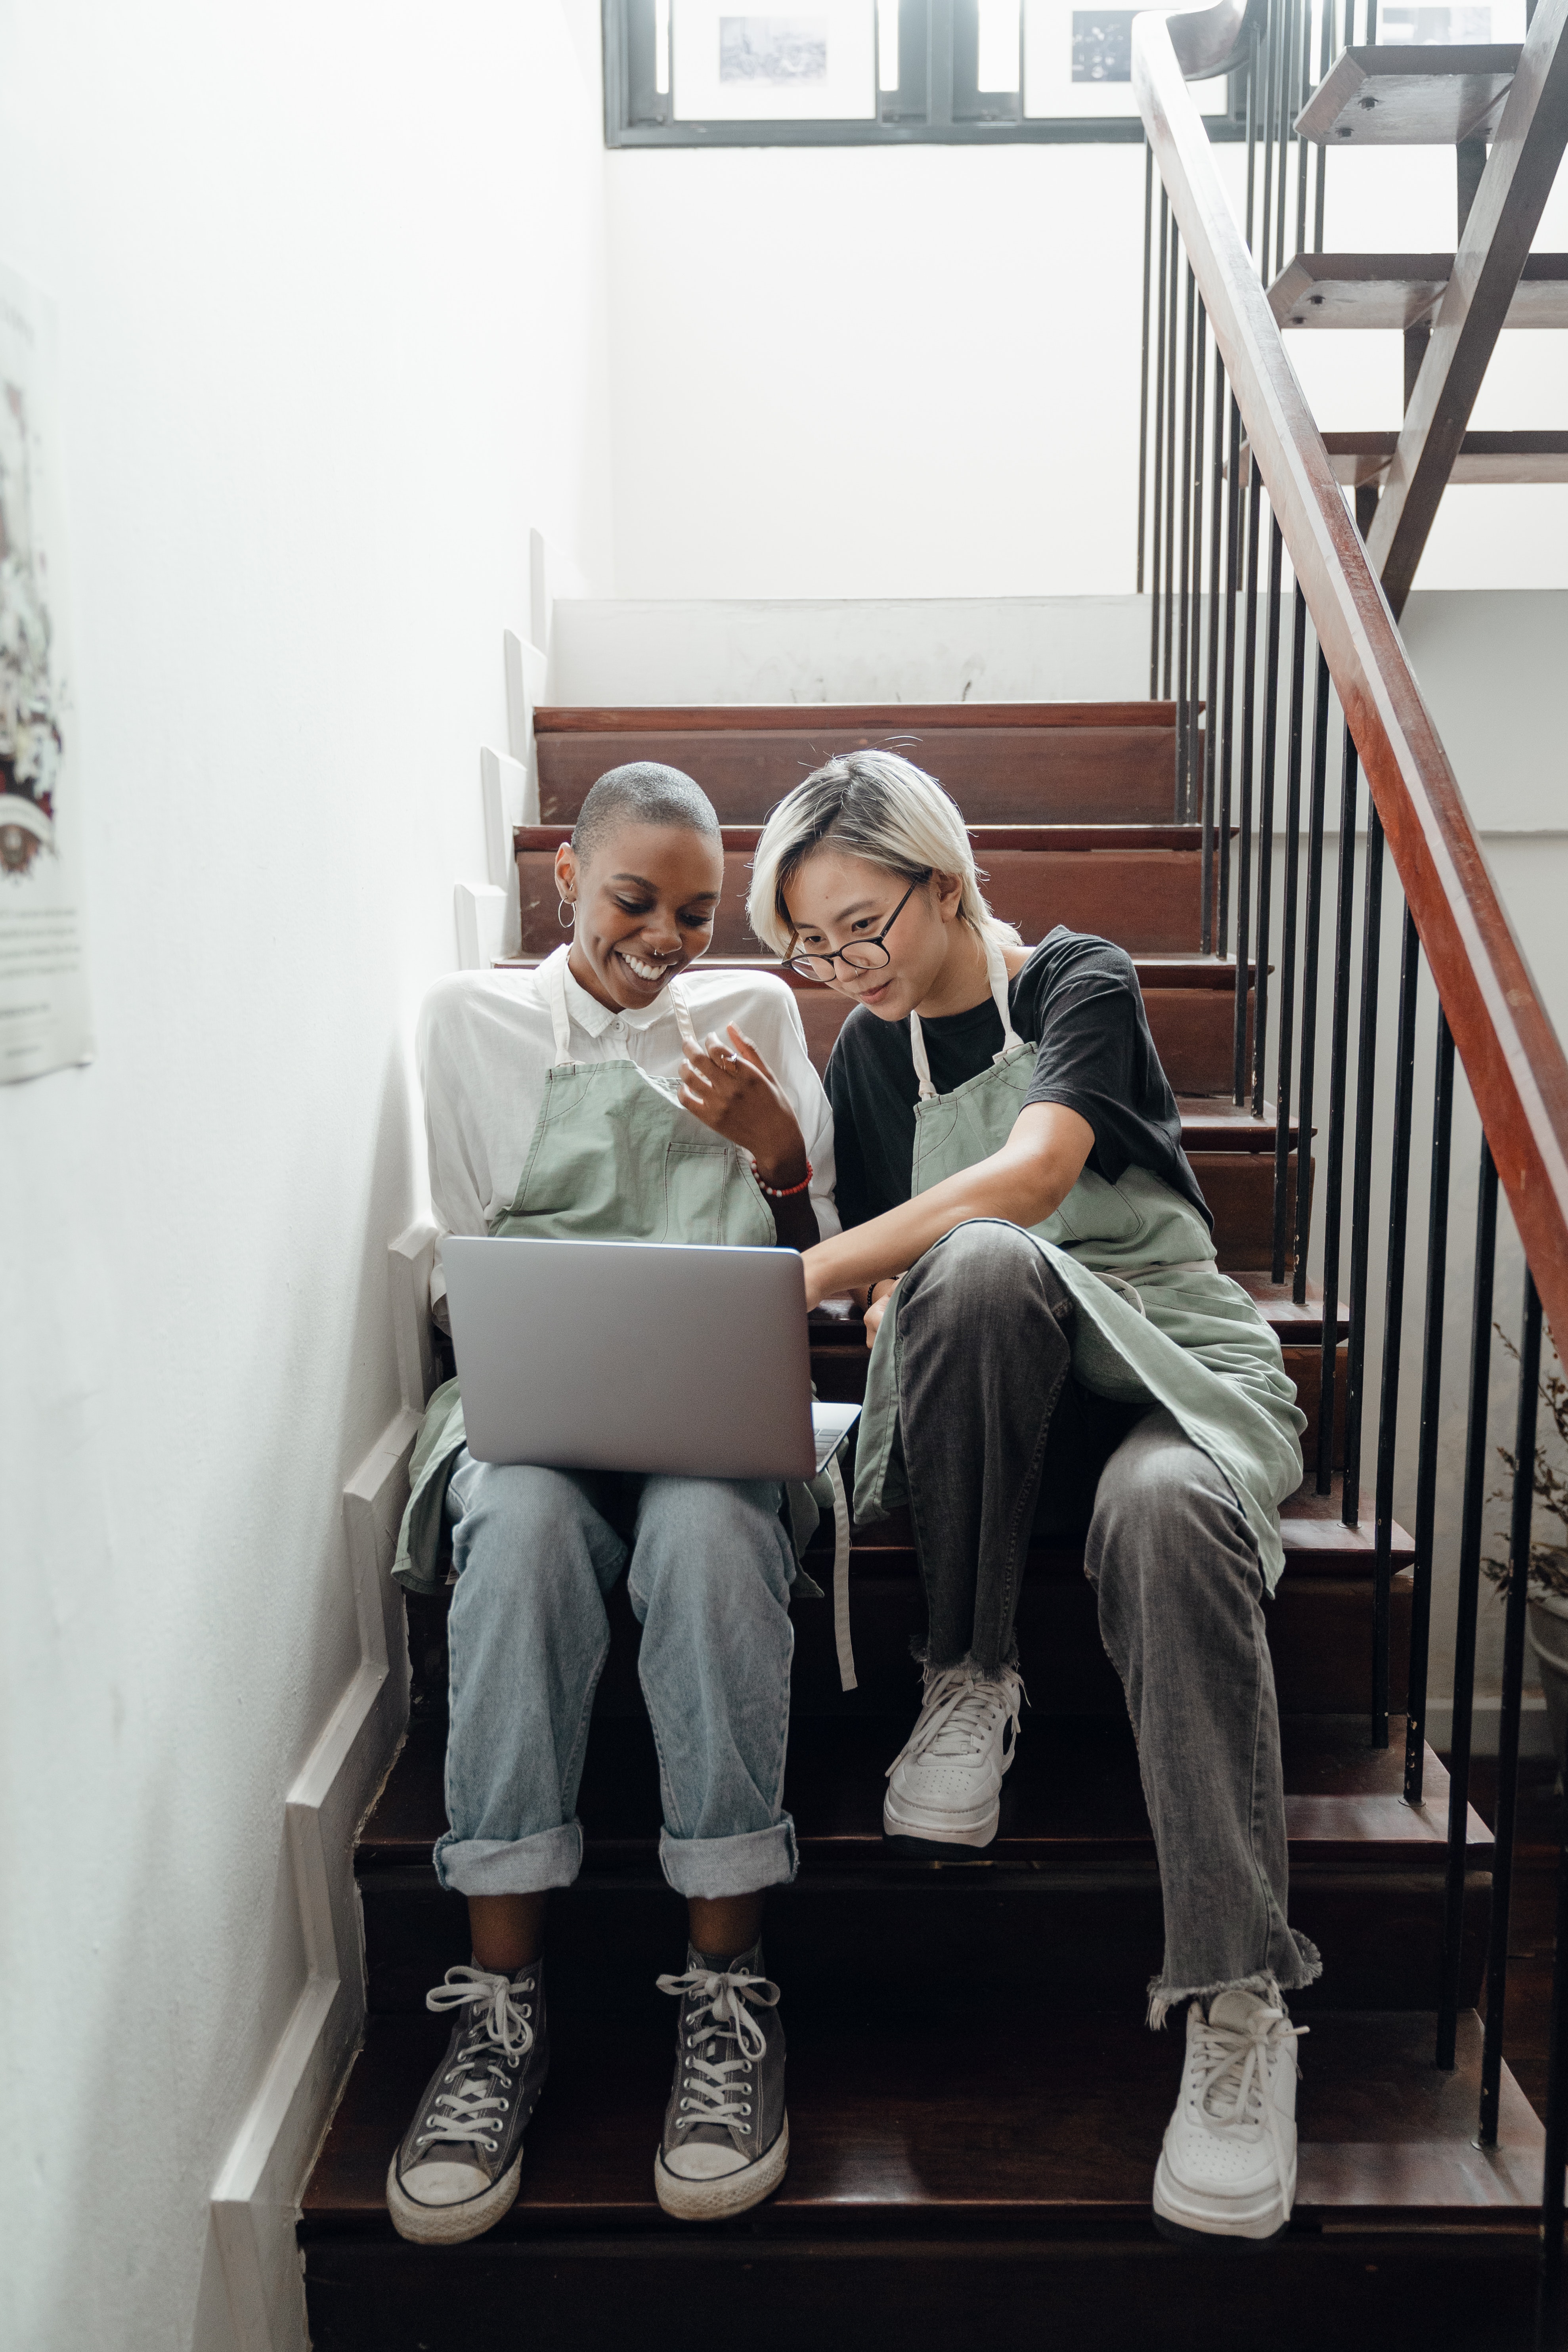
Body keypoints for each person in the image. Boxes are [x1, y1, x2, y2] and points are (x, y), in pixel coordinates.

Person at [746, 748, 1315, 2247]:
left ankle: (1237, 2000)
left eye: (859, 927)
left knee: (1163, 1512)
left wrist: (819, 1274)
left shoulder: (1079, 978)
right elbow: (915, 1273)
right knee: (976, 1282)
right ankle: (969, 1676)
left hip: (1166, 1367)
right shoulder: (867, 1062)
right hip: (1010, 1409)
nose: (836, 969)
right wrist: (887, 1296)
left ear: (944, 883)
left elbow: (1033, 1174)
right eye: (804, 945)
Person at [385, 762, 838, 2243]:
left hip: (710, 1420)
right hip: (537, 1413)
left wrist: (777, 1160)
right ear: (563, 878)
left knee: (711, 1531)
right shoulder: (470, 1022)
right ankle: (497, 2006)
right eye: (635, 900)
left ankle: (725, 1989)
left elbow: (817, 1260)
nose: (665, 938)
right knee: (512, 1532)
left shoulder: (755, 1017)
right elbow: (462, 1264)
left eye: (699, 914)